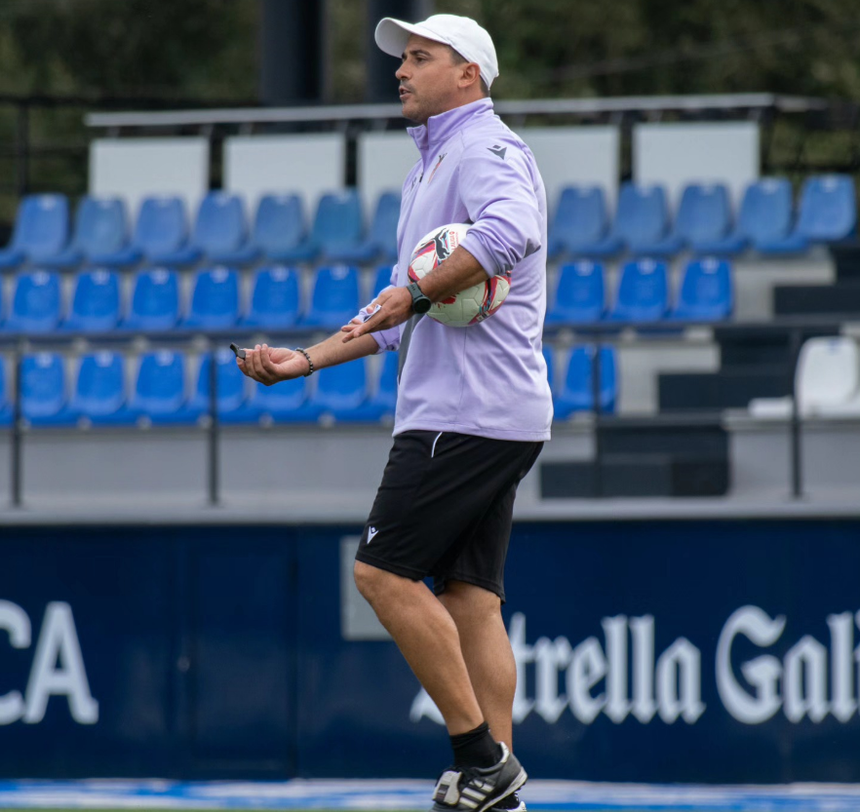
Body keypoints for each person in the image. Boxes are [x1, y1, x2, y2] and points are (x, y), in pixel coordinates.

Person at [238, 13, 552, 812]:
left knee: (379, 574)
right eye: (401, 59)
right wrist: (304, 360)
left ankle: (482, 759)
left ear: (468, 75)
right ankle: (501, 788)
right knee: (473, 602)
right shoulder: (432, 165)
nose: (401, 71)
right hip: (497, 412)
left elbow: (512, 231)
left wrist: (415, 291)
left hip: (464, 413)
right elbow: (399, 313)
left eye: (420, 58)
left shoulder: (482, 148)